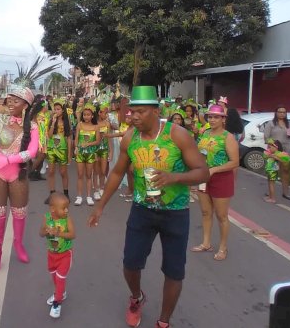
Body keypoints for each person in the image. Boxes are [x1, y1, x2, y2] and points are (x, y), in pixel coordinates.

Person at [88, 86, 210, 328]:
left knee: (174, 271)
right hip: (142, 210)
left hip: (175, 213)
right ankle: (137, 297)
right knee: (130, 263)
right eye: (132, 112)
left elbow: (203, 172)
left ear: (155, 111)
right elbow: (117, 173)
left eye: (140, 112)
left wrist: (174, 177)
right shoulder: (129, 138)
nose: (133, 117)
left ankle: (164, 321)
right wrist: (100, 206)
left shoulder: (177, 135)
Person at [0, 85, 42, 273]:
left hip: (18, 172)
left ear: (25, 105)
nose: (10, 102)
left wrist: (8, 159)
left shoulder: (33, 126)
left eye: (15, 100)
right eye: (9, 99)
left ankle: (18, 245)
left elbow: (32, 152)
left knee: (19, 213)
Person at [192, 104, 240, 261]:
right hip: (203, 178)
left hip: (221, 179)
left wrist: (214, 170)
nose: (212, 119)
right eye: (210, 117)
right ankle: (206, 243)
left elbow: (234, 162)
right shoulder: (204, 134)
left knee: (221, 216)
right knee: (206, 212)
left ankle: (223, 247)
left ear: (223, 119)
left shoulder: (228, 137)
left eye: (216, 117)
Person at [40, 192, 76, 319]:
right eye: (63, 208)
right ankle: (61, 293)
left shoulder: (67, 219)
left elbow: (72, 235)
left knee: (60, 278)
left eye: (67, 208)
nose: (66, 210)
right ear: (53, 209)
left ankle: (57, 303)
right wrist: (47, 231)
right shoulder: (47, 217)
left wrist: (59, 233)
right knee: (54, 277)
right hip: (51, 254)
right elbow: (41, 232)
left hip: (65, 254)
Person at [264, 106, 290, 200]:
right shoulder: (271, 123)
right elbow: (266, 138)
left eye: (284, 112)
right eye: (280, 112)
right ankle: (270, 192)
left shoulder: (289, 123)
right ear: (276, 112)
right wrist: (273, 145)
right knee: (273, 171)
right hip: (274, 150)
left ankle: (285, 192)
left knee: (286, 170)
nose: (282, 114)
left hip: (286, 149)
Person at [45, 99, 73, 203]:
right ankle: (52, 194)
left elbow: (69, 138)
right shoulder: (52, 120)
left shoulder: (67, 121)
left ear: (62, 110)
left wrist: (69, 153)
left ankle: (66, 194)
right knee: (51, 171)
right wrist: (53, 122)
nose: (56, 111)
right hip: (52, 148)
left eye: (58, 109)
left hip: (62, 149)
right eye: (55, 109)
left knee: (63, 172)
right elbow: (50, 135)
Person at [74, 103, 101, 206]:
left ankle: (89, 196)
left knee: (89, 175)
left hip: (90, 153)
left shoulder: (96, 126)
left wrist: (88, 144)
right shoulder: (80, 125)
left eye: (88, 115)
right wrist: (76, 147)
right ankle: (79, 196)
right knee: (80, 175)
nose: (86, 116)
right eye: (84, 115)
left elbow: (98, 141)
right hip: (80, 153)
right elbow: (76, 139)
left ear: (92, 115)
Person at [94, 103, 113, 200]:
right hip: (95, 150)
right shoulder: (94, 124)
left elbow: (109, 138)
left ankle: (101, 187)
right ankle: (96, 190)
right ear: (99, 113)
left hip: (104, 149)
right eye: (105, 113)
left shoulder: (107, 124)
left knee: (103, 170)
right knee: (96, 171)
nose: (107, 115)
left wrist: (111, 151)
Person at [263, 139, 290, 204]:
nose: (269, 148)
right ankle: (270, 196)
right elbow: (265, 156)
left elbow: (287, 159)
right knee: (269, 183)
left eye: (270, 147)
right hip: (270, 170)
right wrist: (270, 155)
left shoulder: (278, 154)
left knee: (271, 184)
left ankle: (272, 199)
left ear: (276, 147)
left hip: (273, 171)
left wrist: (277, 158)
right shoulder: (272, 153)